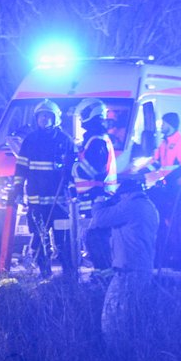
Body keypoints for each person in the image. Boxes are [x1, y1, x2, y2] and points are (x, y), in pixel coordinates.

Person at [91, 172, 158, 348]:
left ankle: (116, 356)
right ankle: (130, 355)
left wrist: (98, 202)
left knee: (112, 319)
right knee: (129, 318)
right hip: (137, 268)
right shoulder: (147, 206)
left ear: (125, 194)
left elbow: (99, 219)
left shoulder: (131, 205)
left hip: (129, 271)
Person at [13, 99, 77, 279]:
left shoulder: (65, 141)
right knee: (39, 239)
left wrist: (71, 185)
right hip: (36, 202)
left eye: (48, 116)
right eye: (41, 116)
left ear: (56, 118)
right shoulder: (30, 140)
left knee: (63, 239)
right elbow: (21, 167)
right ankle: (44, 273)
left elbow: (74, 168)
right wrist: (17, 187)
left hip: (59, 203)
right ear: (37, 118)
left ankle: (69, 275)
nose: (44, 119)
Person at [73, 100, 117, 270]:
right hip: (94, 197)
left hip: (96, 197)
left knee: (96, 239)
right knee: (92, 239)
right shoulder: (94, 138)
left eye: (83, 115)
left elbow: (92, 170)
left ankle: (103, 274)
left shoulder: (97, 140)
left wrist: (72, 165)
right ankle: (101, 274)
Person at [149, 112, 181, 177]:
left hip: (174, 182)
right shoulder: (164, 142)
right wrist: (142, 171)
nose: (161, 126)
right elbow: (155, 160)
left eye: (163, 123)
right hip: (164, 180)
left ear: (170, 125)